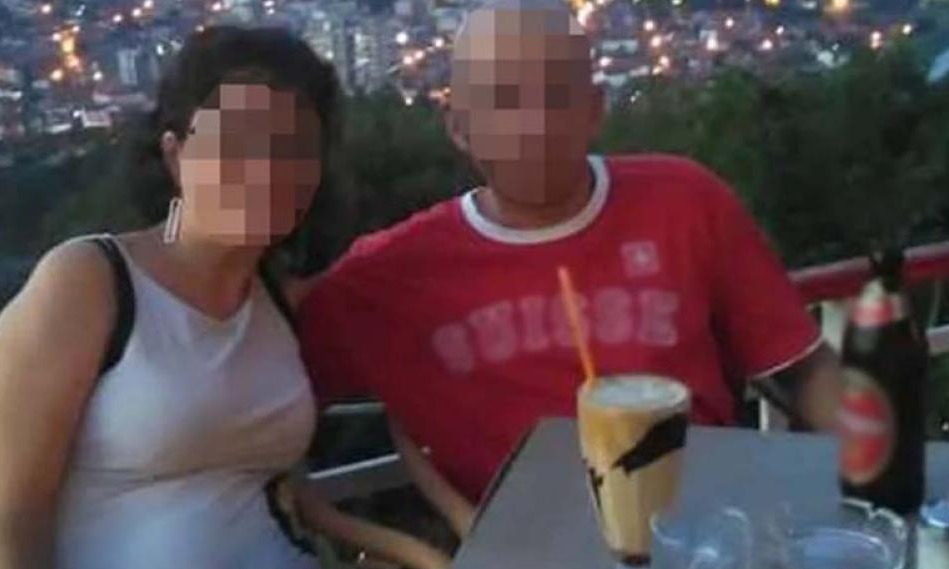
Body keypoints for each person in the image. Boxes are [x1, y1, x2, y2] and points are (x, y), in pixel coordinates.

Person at [0, 26, 447, 569]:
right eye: (236, 143)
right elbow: (5, 524)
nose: (266, 169)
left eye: (293, 149)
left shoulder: (276, 299)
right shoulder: (90, 283)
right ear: (175, 153)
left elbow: (264, 467)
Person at [297, 0, 840, 536]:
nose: (533, 126)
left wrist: (874, 470)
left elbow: (803, 368)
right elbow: (264, 387)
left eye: (555, 97)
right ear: (459, 127)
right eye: (503, 101)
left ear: (594, 110)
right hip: (529, 556)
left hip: (706, 531)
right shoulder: (391, 274)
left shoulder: (685, 201)